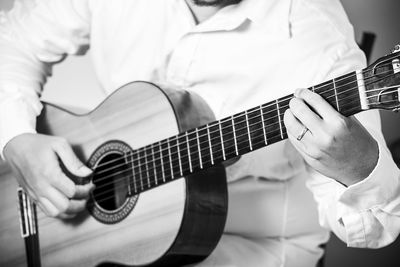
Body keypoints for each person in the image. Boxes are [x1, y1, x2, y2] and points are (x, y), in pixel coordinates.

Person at [1, 0, 400, 266]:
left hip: (249, 240)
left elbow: (376, 225)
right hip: (105, 232)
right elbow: (13, 40)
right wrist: (16, 138)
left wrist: (358, 166)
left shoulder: (319, 40)